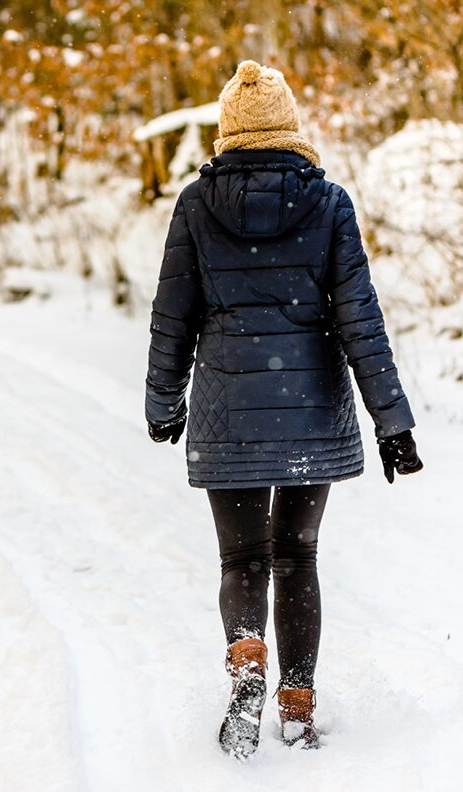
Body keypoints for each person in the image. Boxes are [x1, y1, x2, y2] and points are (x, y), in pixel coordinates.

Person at [144, 60, 424, 759]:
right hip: (310, 411)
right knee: (297, 556)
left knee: (242, 558)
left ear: (227, 131)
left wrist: (163, 400)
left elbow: (173, 315)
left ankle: (247, 663)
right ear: (291, 127)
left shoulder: (196, 204)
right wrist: (393, 422)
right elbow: (360, 319)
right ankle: (297, 708)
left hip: (228, 412)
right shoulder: (327, 204)